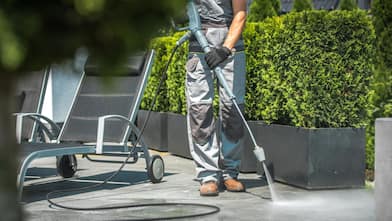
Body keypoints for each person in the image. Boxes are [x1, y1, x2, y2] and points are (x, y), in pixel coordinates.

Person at [186, 0, 248, 196]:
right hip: (199, 43)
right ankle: (208, 176)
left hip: (230, 47)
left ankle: (230, 172)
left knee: (233, 111)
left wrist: (225, 48)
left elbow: (240, 14)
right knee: (200, 111)